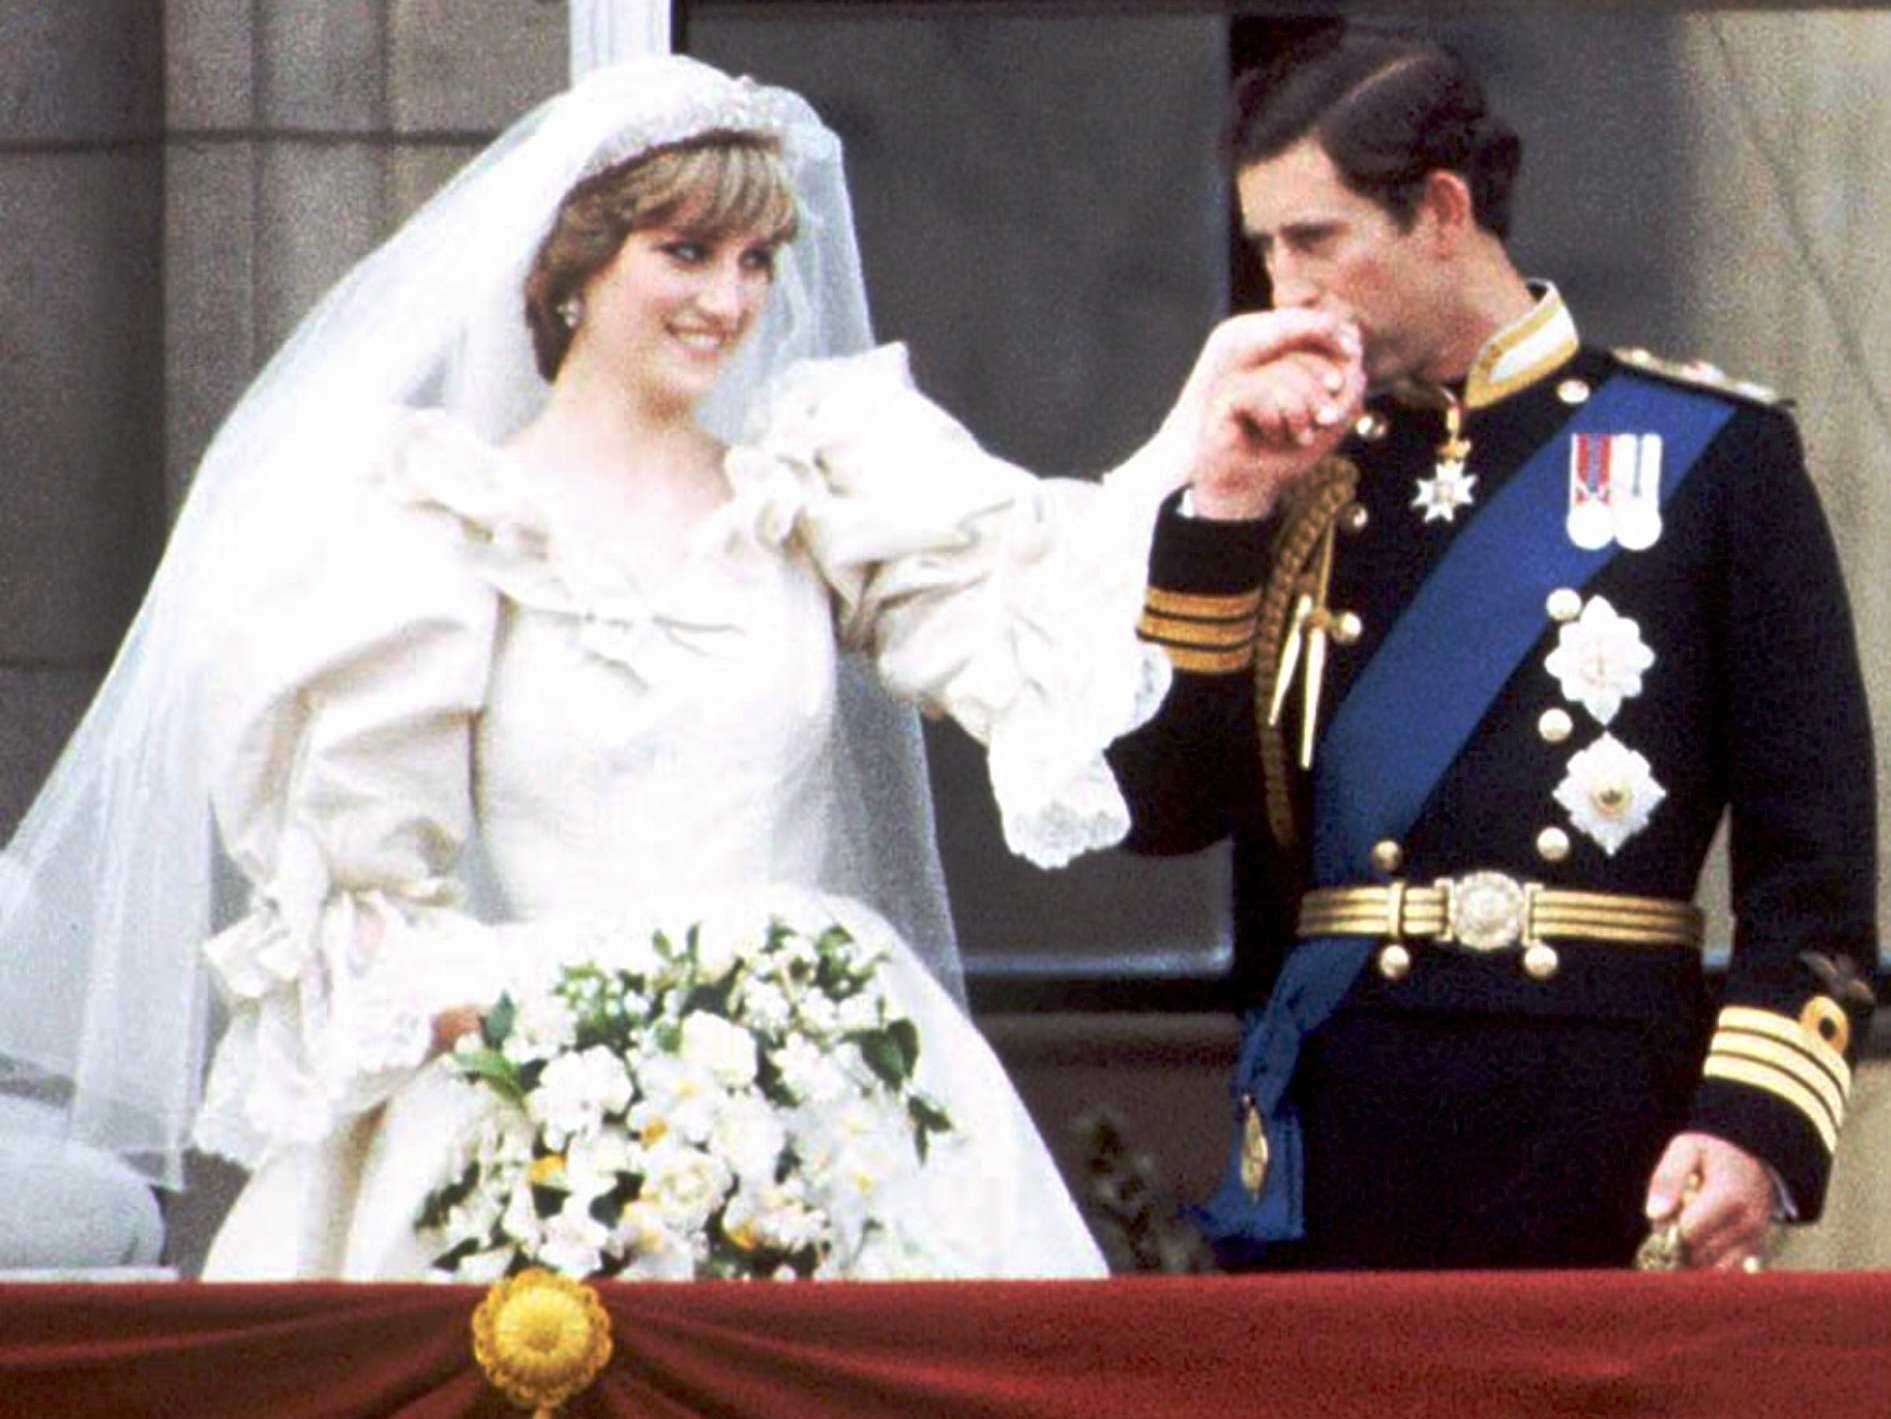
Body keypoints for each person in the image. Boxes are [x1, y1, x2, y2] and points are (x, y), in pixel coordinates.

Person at [0, 55, 1251, 1281]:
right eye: (686, 252)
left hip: (822, 1090)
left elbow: (1043, 603)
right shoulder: (438, 529)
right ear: (571, 271)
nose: (730, 299)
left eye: (756, 260)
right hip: (530, 1107)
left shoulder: (815, 485)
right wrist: (570, 1045)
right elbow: (363, 899)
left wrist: (1201, 451)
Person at [1109, 28, 1878, 1271]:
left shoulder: (1714, 456)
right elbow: (1159, 807)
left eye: (1314, 241)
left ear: (1443, 212)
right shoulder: (1288, 471)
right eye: (1262, 249)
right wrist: (1224, 512)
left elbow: (1815, 859)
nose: (1280, 290)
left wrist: (1751, 1121)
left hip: (1605, 1123)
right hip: (1344, 1120)